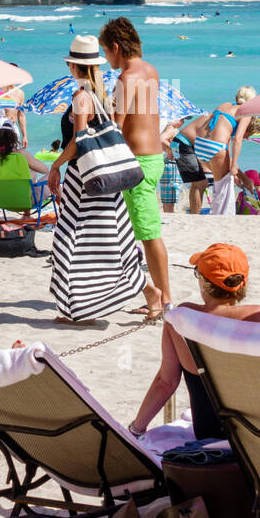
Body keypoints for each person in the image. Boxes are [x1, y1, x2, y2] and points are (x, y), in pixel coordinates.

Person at [46, 36, 153, 323]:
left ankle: (84, 308)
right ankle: (144, 293)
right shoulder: (98, 95)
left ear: (73, 65)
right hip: (99, 179)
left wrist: (55, 166)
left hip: (84, 181)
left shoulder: (81, 97)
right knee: (107, 241)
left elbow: (78, 141)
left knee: (71, 241)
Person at [128, 244, 260, 439]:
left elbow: (166, 382)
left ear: (203, 283)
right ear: (242, 283)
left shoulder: (182, 317)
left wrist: (136, 428)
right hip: (251, 431)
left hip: (207, 430)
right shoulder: (256, 316)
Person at [100, 18, 170, 320]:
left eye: (106, 52)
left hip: (138, 162)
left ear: (116, 47)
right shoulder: (150, 70)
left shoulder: (127, 77)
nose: (106, 59)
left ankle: (165, 299)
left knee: (149, 234)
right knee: (143, 232)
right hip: (153, 158)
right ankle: (159, 295)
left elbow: (117, 124)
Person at [173, 87, 260, 216]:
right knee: (223, 185)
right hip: (201, 144)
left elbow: (222, 140)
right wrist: (235, 165)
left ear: (237, 97)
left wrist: (239, 174)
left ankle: (195, 217)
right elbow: (237, 139)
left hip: (193, 144)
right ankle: (222, 216)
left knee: (200, 184)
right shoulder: (246, 113)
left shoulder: (224, 105)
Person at [0, 118, 47, 190]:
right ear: (14, 136)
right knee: (50, 175)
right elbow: (45, 170)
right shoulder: (21, 155)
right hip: (23, 201)